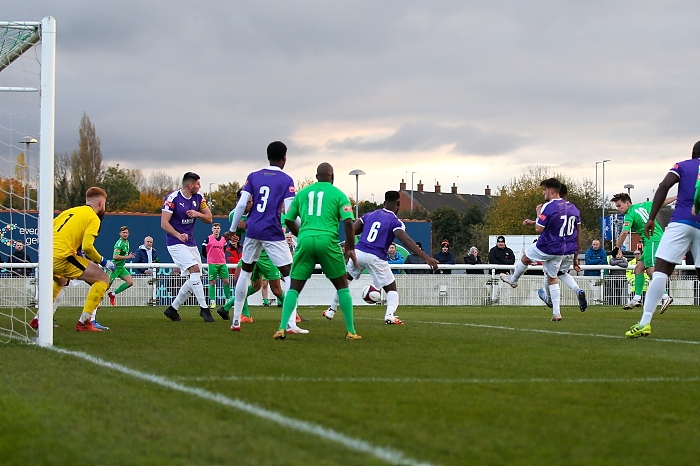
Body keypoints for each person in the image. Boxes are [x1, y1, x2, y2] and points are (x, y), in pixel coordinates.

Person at [323, 190, 439, 325]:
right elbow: (406, 240)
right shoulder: (395, 222)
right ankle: (390, 315)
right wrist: (426, 257)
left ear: (384, 203)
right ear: (398, 204)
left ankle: (331, 310)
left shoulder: (369, 215)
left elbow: (352, 230)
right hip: (375, 256)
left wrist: (348, 250)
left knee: (345, 282)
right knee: (391, 289)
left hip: (359, 252)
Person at [275, 162, 361, 340]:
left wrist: (304, 234)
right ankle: (351, 331)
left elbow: (289, 219)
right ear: (333, 177)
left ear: (316, 177)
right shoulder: (338, 194)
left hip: (306, 240)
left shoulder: (303, 193)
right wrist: (350, 247)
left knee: (294, 287)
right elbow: (348, 222)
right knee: (342, 286)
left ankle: (282, 328)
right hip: (327, 241)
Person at [625, 141, 700, 338]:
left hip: (681, 222)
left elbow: (664, 185)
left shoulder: (682, 166)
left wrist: (652, 217)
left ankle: (644, 323)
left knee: (660, 272)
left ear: (693, 154)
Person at [228, 141, 299, 332]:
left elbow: (241, 205)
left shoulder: (253, 176)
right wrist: (303, 230)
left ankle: (236, 320)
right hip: (272, 230)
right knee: (290, 274)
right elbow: (291, 211)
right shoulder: (286, 179)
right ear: (284, 158)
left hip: (253, 230)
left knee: (245, 272)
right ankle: (291, 322)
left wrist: (233, 228)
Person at [500, 178, 579, 321]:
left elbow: (539, 228)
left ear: (552, 190)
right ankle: (556, 313)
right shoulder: (571, 207)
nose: (543, 193)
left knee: (525, 258)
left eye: (544, 190)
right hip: (561, 249)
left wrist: (538, 213)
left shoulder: (548, 206)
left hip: (546, 245)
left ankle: (513, 279)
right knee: (552, 278)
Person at [49, 187, 114, 332]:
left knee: (61, 281)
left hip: (47, 256)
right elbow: (87, 247)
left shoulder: (68, 212)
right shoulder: (93, 218)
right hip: (63, 257)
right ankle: (85, 321)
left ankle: (39, 319)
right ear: (101, 203)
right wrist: (104, 262)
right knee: (103, 279)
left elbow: (48, 231)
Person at [161, 172, 214, 322]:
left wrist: (198, 214)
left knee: (195, 277)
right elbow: (164, 223)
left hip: (190, 243)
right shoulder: (173, 198)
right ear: (190, 185)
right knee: (195, 270)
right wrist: (178, 235)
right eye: (198, 183)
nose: (200, 186)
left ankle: (172, 309)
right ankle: (204, 309)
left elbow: (209, 218)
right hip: (175, 243)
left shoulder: (199, 198)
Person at [610, 192, 675, 312]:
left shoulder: (630, 214)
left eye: (619, 205)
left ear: (628, 203)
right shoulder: (645, 205)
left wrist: (616, 247)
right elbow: (663, 201)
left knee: (651, 270)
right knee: (638, 269)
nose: (618, 209)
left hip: (652, 240)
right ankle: (637, 298)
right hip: (654, 240)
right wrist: (677, 197)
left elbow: (624, 233)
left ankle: (665, 296)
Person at [536, 183, 587, 312]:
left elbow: (543, 228)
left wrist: (538, 214)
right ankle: (578, 290)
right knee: (561, 273)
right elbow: (578, 234)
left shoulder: (554, 208)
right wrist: (576, 257)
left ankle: (550, 301)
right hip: (570, 248)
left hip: (556, 248)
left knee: (551, 276)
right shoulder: (573, 209)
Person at [202, 223, 232, 309]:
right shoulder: (208, 239)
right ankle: (213, 302)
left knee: (226, 281)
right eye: (215, 228)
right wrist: (210, 258)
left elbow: (224, 250)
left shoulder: (223, 240)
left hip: (222, 263)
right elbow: (203, 250)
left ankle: (228, 301)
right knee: (212, 282)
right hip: (212, 264)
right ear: (212, 229)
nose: (216, 229)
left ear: (220, 229)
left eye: (218, 228)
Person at [106, 225, 135, 306]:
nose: (125, 234)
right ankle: (95, 302)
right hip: (114, 267)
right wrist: (128, 257)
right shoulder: (119, 243)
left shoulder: (127, 242)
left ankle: (113, 294)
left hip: (121, 268)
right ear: (120, 233)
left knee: (130, 282)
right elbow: (115, 256)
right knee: (106, 286)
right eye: (123, 233)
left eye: (126, 233)